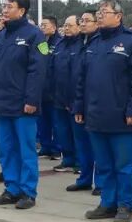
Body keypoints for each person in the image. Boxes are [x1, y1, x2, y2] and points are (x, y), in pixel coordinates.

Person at [76, 0, 132, 222]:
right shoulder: (93, 43)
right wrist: (79, 106)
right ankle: (107, 203)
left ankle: (125, 205)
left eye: (105, 12)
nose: (99, 15)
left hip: (122, 117)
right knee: (104, 165)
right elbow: (82, 79)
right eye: (99, 12)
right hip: (96, 114)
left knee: (124, 166)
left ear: (118, 16)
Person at [0, 0, 48, 209]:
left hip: (23, 106)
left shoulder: (34, 35)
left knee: (26, 150)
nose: (4, 10)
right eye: (4, 6)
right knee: (7, 149)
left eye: (9, 6)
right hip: (2, 104)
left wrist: (32, 100)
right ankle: (11, 188)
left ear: (21, 10)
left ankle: (28, 192)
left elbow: (37, 71)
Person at [66, 11, 98, 194]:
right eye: (81, 21)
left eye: (87, 21)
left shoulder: (100, 42)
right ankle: (84, 178)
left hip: (96, 103)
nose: (83, 24)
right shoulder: (77, 43)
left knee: (98, 146)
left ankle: (101, 183)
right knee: (82, 144)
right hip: (77, 101)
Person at [50, 15, 81, 172]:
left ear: (79, 27)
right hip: (59, 97)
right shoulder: (60, 44)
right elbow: (52, 69)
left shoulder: (82, 45)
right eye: (65, 25)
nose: (67, 28)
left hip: (75, 98)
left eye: (70, 25)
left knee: (78, 134)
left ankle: (80, 162)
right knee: (62, 131)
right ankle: (68, 159)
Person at [37, 15, 61, 160]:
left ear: (54, 27)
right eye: (41, 25)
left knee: (55, 123)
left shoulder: (59, 42)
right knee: (43, 122)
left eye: (45, 25)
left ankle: (56, 149)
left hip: (54, 90)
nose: (42, 27)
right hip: (41, 89)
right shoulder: (40, 42)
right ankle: (45, 146)